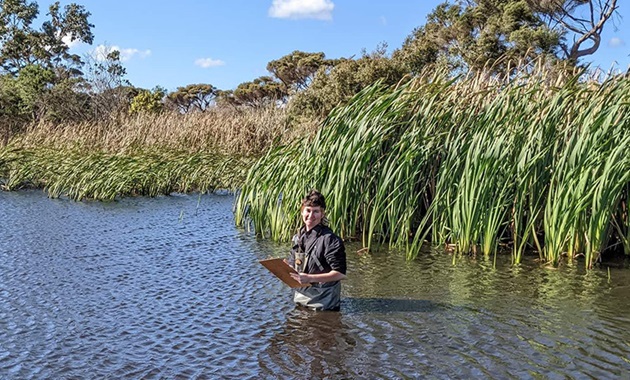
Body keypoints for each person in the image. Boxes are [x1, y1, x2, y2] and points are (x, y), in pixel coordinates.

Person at [288, 190, 347, 311]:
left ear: (322, 214)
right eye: (308, 210)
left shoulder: (330, 240)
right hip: (301, 296)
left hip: (324, 301)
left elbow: (340, 274)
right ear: (302, 212)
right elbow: (293, 264)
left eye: (316, 211)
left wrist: (310, 278)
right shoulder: (298, 237)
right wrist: (284, 268)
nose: (310, 216)